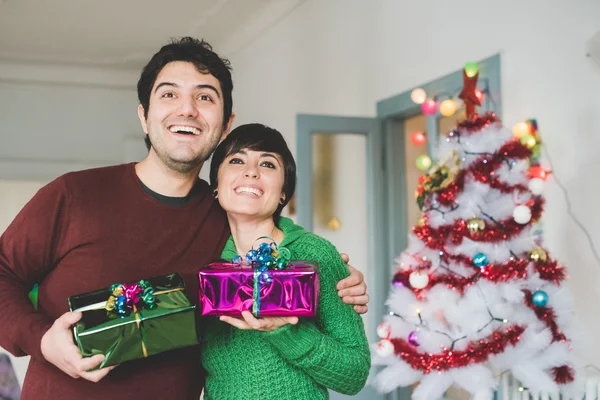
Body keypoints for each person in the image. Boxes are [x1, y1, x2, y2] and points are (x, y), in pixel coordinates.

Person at [0, 37, 369, 400]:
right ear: (144, 116)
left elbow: (283, 249)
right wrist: (42, 339)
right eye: (169, 94)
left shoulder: (226, 219)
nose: (187, 109)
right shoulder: (73, 195)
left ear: (226, 125)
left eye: (205, 97)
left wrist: (338, 275)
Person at [202, 123, 370, 399]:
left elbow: (355, 374)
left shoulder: (315, 255)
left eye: (267, 164)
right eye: (236, 160)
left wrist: (285, 331)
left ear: (283, 192)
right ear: (217, 186)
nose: (251, 171)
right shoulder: (202, 258)